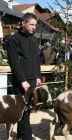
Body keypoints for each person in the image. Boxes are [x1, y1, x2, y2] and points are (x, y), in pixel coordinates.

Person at [7, 12, 41, 140]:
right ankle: (27, 137)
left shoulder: (34, 39)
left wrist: (38, 75)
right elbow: (14, 62)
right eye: (31, 24)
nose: (34, 27)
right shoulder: (14, 39)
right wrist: (22, 81)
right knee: (23, 111)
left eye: (35, 25)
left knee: (28, 110)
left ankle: (20, 136)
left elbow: (37, 59)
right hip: (21, 81)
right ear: (23, 23)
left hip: (32, 79)